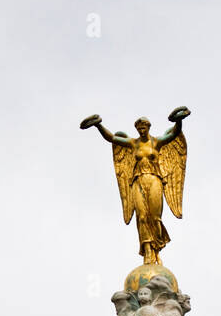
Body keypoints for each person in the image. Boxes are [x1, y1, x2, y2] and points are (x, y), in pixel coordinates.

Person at [80, 108, 190, 265]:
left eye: (143, 128)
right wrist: (98, 125)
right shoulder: (133, 143)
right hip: (138, 181)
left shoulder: (157, 142)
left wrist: (179, 119)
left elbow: (174, 133)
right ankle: (147, 251)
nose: (141, 130)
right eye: (139, 129)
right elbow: (111, 138)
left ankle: (157, 247)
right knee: (142, 217)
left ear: (148, 127)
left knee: (155, 217)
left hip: (154, 179)